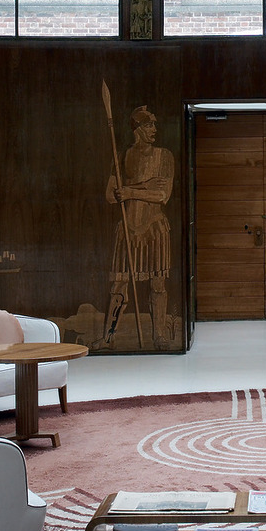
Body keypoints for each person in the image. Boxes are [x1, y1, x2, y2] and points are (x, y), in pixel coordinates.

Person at [101, 106, 174, 349]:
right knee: (119, 286)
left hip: (154, 228)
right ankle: (108, 337)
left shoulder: (164, 156)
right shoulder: (121, 156)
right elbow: (111, 195)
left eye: (154, 124)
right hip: (128, 228)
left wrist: (131, 191)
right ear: (137, 128)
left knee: (158, 284)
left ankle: (159, 335)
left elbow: (162, 195)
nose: (154, 129)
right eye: (149, 124)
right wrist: (142, 187)